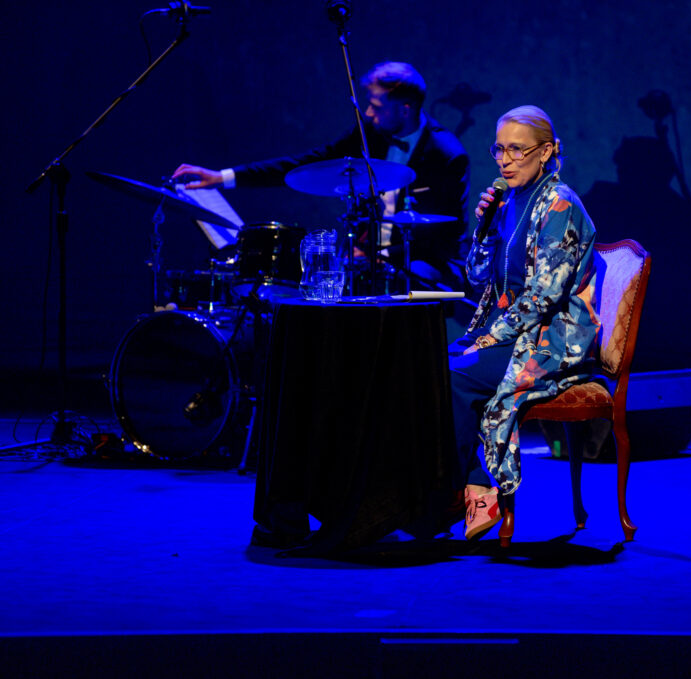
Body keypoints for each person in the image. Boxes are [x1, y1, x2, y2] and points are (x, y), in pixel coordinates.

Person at [172, 61, 471, 288]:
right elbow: (308, 163)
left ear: (405, 109)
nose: (368, 113)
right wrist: (223, 177)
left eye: (376, 106)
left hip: (425, 261)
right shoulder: (371, 133)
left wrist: (383, 255)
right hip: (369, 254)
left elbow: (446, 238)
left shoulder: (447, 155)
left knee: (400, 279)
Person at [449, 105, 601, 540]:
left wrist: (488, 340)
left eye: (517, 149)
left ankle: (471, 490)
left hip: (550, 340)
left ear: (546, 151)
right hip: (508, 330)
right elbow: (477, 277)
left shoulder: (560, 206)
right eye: (499, 149)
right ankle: (461, 485)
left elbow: (544, 297)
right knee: (425, 365)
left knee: (454, 376)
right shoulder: (508, 201)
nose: (505, 160)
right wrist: (483, 229)